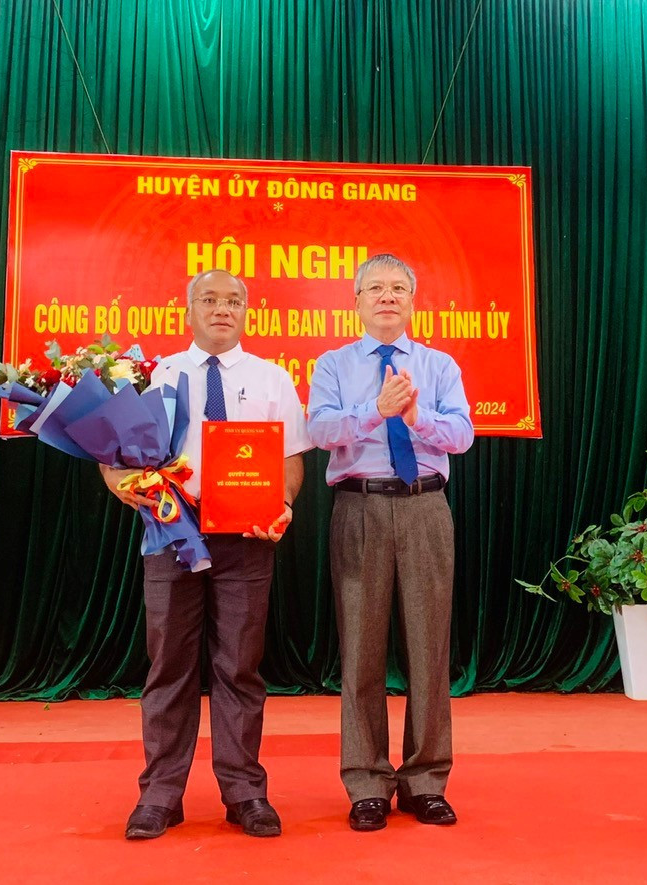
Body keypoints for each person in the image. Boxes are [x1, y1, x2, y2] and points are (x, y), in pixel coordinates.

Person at [99, 269, 312, 840]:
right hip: (171, 536)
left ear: (249, 312)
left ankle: (245, 793)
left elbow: (291, 459)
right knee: (169, 665)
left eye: (234, 301)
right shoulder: (154, 375)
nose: (223, 309)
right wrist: (124, 485)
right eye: (210, 300)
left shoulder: (273, 379)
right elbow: (112, 455)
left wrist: (284, 504)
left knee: (239, 667)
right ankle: (160, 796)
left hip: (248, 539)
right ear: (187, 310)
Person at [307, 253, 474, 832]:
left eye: (397, 287)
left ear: (411, 300)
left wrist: (417, 415)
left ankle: (426, 780)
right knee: (361, 650)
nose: (386, 296)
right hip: (360, 506)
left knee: (429, 650)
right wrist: (373, 412)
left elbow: (462, 435)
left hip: (427, 506)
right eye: (374, 288)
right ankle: (368, 782)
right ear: (356, 301)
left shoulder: (438, 364)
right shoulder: (332, 364)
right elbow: (319, 430)